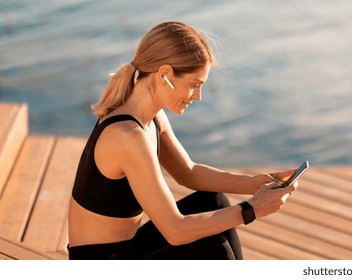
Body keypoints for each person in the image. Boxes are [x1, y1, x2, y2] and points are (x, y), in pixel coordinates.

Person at [67, 21, 298, 260]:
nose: (198, 96)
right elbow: (175, 231)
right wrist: (251, 210)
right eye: (194, 85)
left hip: (126, 250)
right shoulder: (127, 136)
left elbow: (189, 173)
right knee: (214, 249)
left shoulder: (152, 117)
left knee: (214, 201)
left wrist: (256, 183)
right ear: (165, 74)